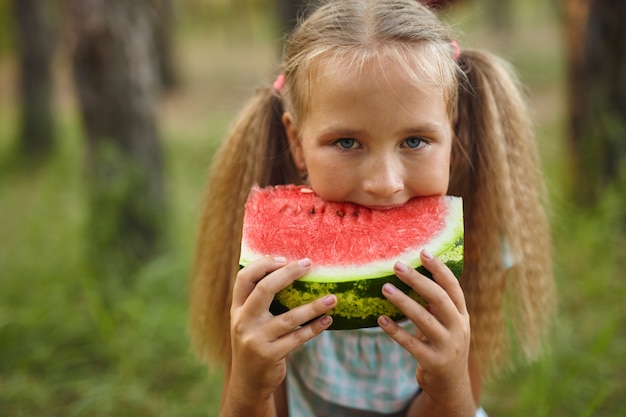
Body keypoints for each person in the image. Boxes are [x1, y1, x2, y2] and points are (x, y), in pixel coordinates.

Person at [190, 1, 556, 416]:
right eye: (347, 143)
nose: (385, 184)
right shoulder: (268, 263)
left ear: (451, 131)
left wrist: (448, 383)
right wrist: (250, 384)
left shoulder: (476, 244)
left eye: (414, 141)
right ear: (297, 142)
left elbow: (460, 404)